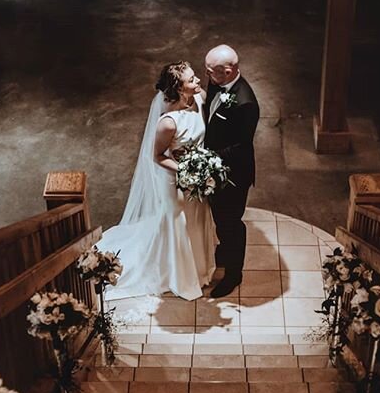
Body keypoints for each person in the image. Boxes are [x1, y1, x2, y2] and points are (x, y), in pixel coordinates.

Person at [98, 61, 216, 301]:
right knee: (179, 223)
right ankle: (181, 275)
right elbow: (157, 156)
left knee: (196, 219)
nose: (198, 82)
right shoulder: (168, 122)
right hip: (174, 181)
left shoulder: (200, 98)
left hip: (195, 178)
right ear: (180, 89)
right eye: (191, 80)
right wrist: (186, 170)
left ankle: (200, 268)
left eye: (195, 77)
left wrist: (202, 168)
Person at [204, 45, 260, 298]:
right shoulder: (217, 80)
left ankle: (233, 274)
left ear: (228, 71)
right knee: (218, 217)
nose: (207, 75)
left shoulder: (246, 103)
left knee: (231, 224)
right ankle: (224, 250)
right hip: (215, 169)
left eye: (211, 71)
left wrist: (206, 157)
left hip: (234, 176)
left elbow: (240, 146)